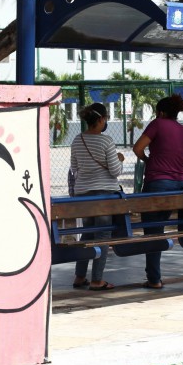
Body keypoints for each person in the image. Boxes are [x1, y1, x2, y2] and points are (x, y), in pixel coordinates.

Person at [132, 94, 183, 289]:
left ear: (160, 112)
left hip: (157, 183)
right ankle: (154, 276)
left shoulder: (157, 124)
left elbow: (138, 147)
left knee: (153, 230)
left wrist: (149, 160)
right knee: (160, 227)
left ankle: (154, 278)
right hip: (179, 184)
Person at [70, 103, 125, 290]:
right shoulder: (106, 141)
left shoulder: (77, 140)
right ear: (101, 119)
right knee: (102, 236)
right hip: (104, 194)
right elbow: (115, 171)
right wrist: (119, 160)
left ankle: (79, 277)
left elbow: (74, 169)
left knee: (86, 234)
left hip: (83, 194)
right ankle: (96, 280)